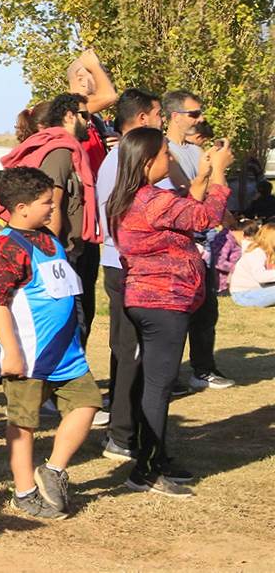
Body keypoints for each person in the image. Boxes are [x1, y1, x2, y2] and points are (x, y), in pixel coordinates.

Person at [107, 127, 232, 497]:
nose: (171, 158)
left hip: (148, 300)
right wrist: (221, 174)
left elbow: (186, 210)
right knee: (158, 388)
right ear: (147, 162)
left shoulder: (132, 198)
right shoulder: (153, 200)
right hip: (164, 303)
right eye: (165, 153)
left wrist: (203, 176)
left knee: (153, 384)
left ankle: (156, 457)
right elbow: (206, 218)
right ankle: (145, 471)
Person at [0, 167, 101, 519]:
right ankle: (24, 492)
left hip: (68, 354)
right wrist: (12, 352)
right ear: (21, 208)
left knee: (88, 403)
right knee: (24, 423)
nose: (53, 207)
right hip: (30, 357)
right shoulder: (3, 248)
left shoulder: (48, 238)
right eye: (46, 202)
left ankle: (53, 471)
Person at [0, 93, 102, 342]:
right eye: (85, 116)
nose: (89, 123)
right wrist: (53, 258)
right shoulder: (60, 152)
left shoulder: (68, 150)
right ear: (69, 116)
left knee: (79, 320)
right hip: (61, 255)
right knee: (73, 326)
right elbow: (51, 206)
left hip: (70, 252)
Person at [95, 89, 162, 458]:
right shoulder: (127, 158)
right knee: (130, 350)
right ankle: (121, 434)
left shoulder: (117, 158)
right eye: (157, 115)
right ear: (140, 119)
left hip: (119, 262)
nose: (161, 122)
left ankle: (121, 425)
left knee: (125, 348)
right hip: (125, 264)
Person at [160, 90, 234, 391]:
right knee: (174, 316)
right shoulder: (160, 151)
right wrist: (210, 173)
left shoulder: (193, 150)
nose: (200, 119)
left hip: (203, 241)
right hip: (174, 244)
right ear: (175, 116)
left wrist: (219, 168)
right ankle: (168, 377)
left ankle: (202, 369)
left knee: (206, 310)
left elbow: (217, 193)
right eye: (194, 114)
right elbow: (182, 199)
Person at [66, 48, 118, 162]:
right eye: (96, 74)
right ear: (81, 79)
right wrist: (94, 66)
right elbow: (109, 97)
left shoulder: (94, 116)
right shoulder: (71, 107)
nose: (104, 79)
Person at [229, 223, 275, 307]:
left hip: (256, 290)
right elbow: (260, 276)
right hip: (244, 295)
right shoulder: (257, 253)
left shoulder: (265, 252)